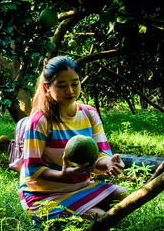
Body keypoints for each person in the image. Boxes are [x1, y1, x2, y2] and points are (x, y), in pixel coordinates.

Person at [19, 56, 128, 220]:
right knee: (99, 217)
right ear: (47, 87)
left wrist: (110, 163)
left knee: (123, 194)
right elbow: (32, 169)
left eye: (75, 84)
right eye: (62, 86)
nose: (69, 90)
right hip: (43, 195)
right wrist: (63, 176)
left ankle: (73, 212)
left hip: (80, 188)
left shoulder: (89, 114)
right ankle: (45, 220)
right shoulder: (40, 121)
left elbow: (99, 155)